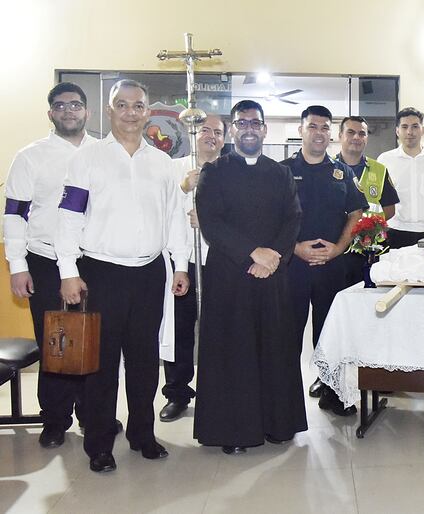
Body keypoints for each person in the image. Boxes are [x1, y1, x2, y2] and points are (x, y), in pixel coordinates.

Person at [56, 79, 190, 473]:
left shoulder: (162, 162)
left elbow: (173, 220)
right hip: (101, 273)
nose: (131, 112)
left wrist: (180, 265)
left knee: (145, 362)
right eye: (122, 105)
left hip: (149, 274)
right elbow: (68, 218)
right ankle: (99, 444)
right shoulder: (87, 159)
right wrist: (67, 271)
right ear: (109, 111)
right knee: (100, 366)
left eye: (138, 105)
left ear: (148, 111)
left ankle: (142, 435)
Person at [193, 100, 306, 454]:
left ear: (264, 129)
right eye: (242, 123)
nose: (249, 129)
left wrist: (273, 255)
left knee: (274, 347)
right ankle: (234, 430)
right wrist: (251, 253)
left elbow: (293, 218)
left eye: (255, 123)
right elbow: (211, 221)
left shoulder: (280, 173)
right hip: (229, 275)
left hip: (272, 275)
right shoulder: (215, 171)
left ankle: (278, 423)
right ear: (232, 129)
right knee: (234, 351)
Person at [3, 82, 97, 448]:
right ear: (50, 113)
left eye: (75, 105)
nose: (69, 111)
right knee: (55, 341)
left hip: (94, 259)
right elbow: (14, 215)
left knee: (93, 340)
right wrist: (16, 265)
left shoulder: (103, 151)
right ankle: (55, 419)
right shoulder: (31, 156)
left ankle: (93, 414)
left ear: (87, 111)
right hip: (44, 261)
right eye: (61, 106)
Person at [283, 105, 367, 415]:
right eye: (313, 126)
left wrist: (339, 248)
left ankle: (332, 394)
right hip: (292, 267)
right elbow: (270, 218)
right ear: (301, 130)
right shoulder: (283, 171)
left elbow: (356, 214)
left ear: (330, 134)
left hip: (332, 266)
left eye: (324, 128)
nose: (319, 133)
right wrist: (294, 248)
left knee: (330, 333)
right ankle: (286, 405)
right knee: (288, 335)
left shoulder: (342, 172)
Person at [159, 114, 226, 422]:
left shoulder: (232, 171)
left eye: (218, 131)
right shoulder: (173, 168)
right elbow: (162, 209)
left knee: (220, 329)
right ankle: (177, 392)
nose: (211, 136)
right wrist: (185, 187)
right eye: (205, 130)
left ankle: (219, 391)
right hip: (182, 263)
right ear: (193, 134)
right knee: (181, 329)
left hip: (221, 262)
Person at [336, 115, 399, 286]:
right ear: (340, 135)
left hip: (367, 249)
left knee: (366, 299)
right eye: (350, 132)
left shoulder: (379, 169)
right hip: (336, 247)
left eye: (361, 133)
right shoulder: (328, 167)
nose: (356, 137)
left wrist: (370, 227)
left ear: (366, 138)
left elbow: (390, 209)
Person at [377, 107, 424, 248]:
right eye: (404, 127)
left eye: (415, 126)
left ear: (423, 130)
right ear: (397, 131)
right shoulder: (385, 160)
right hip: (396, 231)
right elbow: (378, 200)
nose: (410, 132)